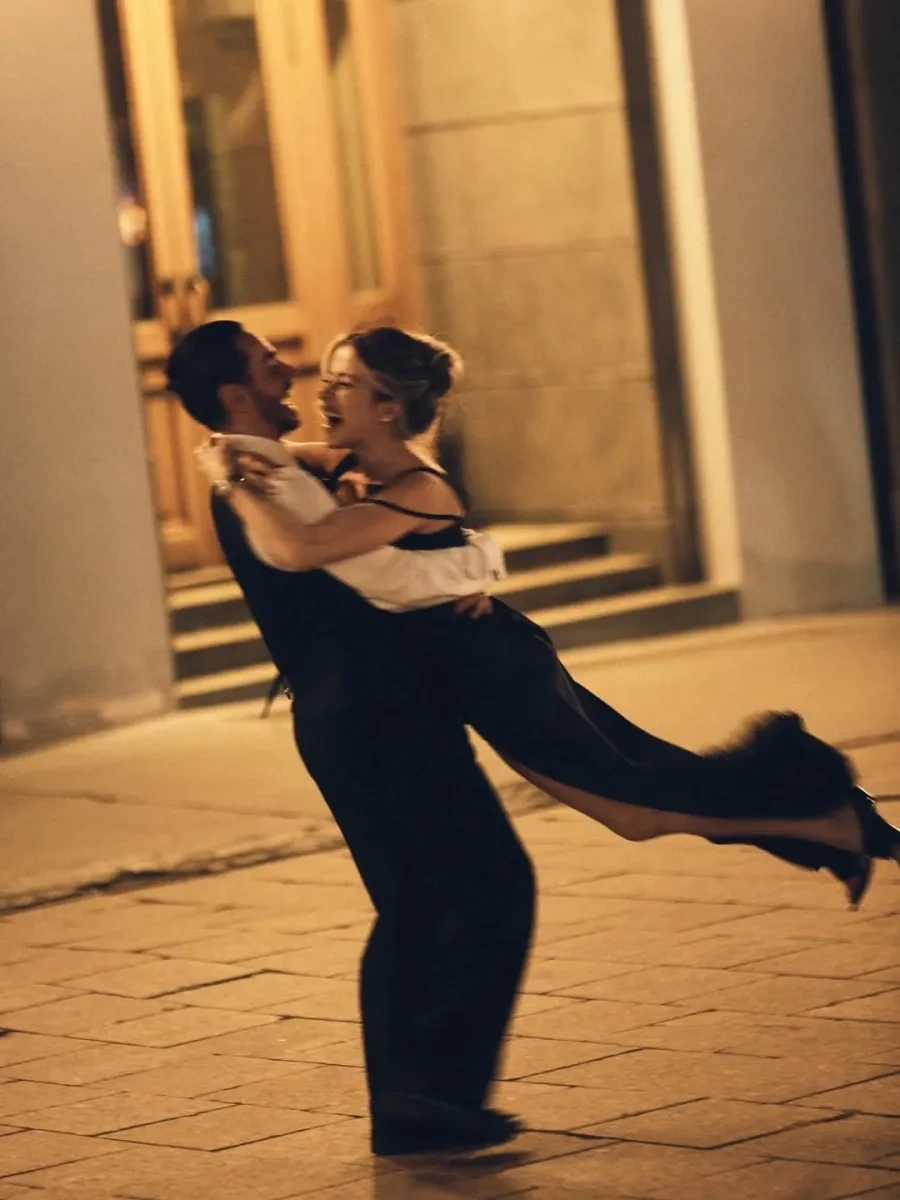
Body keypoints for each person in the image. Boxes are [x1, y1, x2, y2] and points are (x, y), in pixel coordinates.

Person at [197, 323, 900, 909]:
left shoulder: (418, 486)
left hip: (497, 670)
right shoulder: (349, 466)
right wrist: (225, 448)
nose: (322, 392)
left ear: (386, 405)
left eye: (341, 382)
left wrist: (232, 479)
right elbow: (277, 458)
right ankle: (827, 826)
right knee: (637, 797)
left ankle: (827, 817)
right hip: (470, 667)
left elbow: (318, 549)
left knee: (637, 803)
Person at [166, 322, 535, 1157]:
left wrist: (458, 566)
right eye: (271, 366)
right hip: (377, 715)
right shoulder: (264, 485)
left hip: (356, 716)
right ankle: (433, 1095)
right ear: (236, 394)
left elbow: (346, 499)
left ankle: (414, 1104)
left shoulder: (267, 464)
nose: (290, 371)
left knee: (417, 904)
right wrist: (470, 568)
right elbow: (342, 561)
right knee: (490, 884)